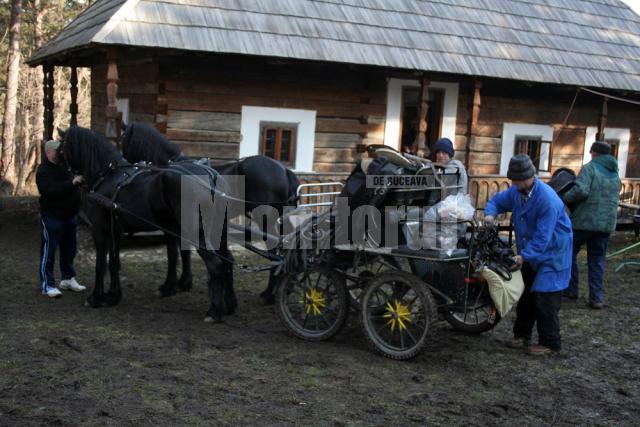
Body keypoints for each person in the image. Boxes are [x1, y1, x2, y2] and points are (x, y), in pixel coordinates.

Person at [484, 154, 572, 355]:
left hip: (553, 252)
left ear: (527, 177)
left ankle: (550, 343)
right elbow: (497, 201)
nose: (513, 184)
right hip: (531, 250)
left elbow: (543, 237)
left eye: (516, 180)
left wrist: (523, 256)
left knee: (545, 297)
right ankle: (522, 335)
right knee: (526, 294)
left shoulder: (546, 199)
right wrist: (490, 214)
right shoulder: (517, 191)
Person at [562, 141, 621, 309]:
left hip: (584, 223)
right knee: (597, 260)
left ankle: (571, 290)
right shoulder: (614, 172)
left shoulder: (590, 168)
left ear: (594, 153)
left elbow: (581, 190)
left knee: (569, 253)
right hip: (605, 225)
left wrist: (564, 198)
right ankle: (596, 298)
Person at [36, 139, 86, 298]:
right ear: (49, 152)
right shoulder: (43, 171)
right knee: (49, 252)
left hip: (69, 216)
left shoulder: (66, 168)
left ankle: (68, 279)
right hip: (52, 217)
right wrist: (72, 183)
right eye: (58, 151)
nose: (61, 153)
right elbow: (51, 191)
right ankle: (47, 285)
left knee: (69, 250)